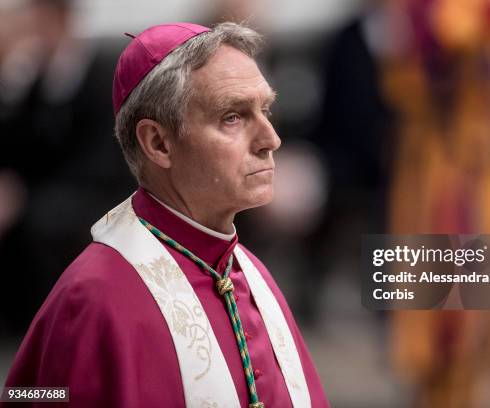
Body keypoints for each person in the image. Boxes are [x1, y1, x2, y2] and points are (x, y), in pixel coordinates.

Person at [3, 22, 329, 408]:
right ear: (159, 143)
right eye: (233, 117)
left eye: (265, 109)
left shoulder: (253, 276)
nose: (271, 139)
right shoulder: (93, 297)